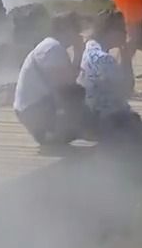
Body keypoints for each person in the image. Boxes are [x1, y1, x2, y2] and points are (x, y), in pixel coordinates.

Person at [13, 14, 88, 148]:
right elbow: (67, 84)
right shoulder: (52, 48)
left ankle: (53, 134)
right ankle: (51, 134)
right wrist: (78, 53)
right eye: (76, 29)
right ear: (66, 29)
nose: (78, 33)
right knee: (77, 94)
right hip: (33, 109)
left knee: (77, 96)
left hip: (31, 107)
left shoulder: (52, 46)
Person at [77, 11, 141, 139]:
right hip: (102, 118)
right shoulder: (103, 59)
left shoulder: (90, 47)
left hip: (90, 112)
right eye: (122, 29)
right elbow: (127, 90)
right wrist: (126, 58)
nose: (125, 34)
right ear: (110, 31)